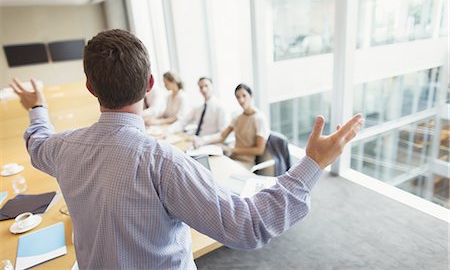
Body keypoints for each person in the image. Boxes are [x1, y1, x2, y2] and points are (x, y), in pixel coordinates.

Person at [10, 29, 364, 269]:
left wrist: (37, 108)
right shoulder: (162, 162)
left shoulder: (65, 147)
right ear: (150, 84)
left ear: (90, 88)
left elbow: (36, 143)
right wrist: (313, 163)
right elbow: (248, 226)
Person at [196, 83, 270, 171]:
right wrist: (203, 142)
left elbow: (259, 150)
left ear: (251, 96)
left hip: (245, 163)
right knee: (208, 168)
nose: (241, 100)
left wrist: (232, 149)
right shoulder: (237, 117)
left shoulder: (259, 118)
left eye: (244, 96)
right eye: (238, 97)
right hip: (232, 159)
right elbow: (222, 136)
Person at [176, 77, 228, 141]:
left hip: (209, 143)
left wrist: (202, 140)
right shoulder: (199, 107)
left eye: (206, 86)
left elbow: (223, 133)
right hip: (195, 140)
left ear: (212, 86)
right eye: (201, 87)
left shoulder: (220, 107)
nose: (204, 89)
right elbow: (184, 121)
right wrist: (168, 131)